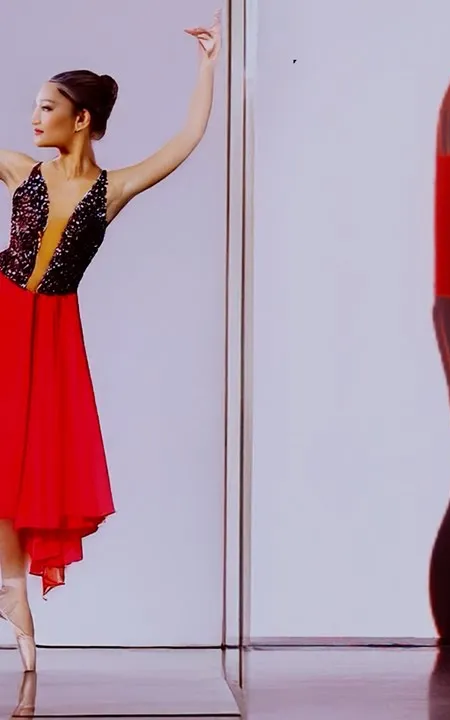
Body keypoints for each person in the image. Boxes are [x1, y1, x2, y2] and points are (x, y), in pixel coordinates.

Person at [0, 13, 222, 673]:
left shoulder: (112, 188)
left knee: (22, 462)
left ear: (82, 119)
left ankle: (10, 588)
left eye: (47, 107)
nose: (34, 118)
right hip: (3, 311)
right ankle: (9, 586)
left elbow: (186, 140)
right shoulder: (19, 170)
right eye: (35, 106)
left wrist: (208, 67)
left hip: (48, 334)